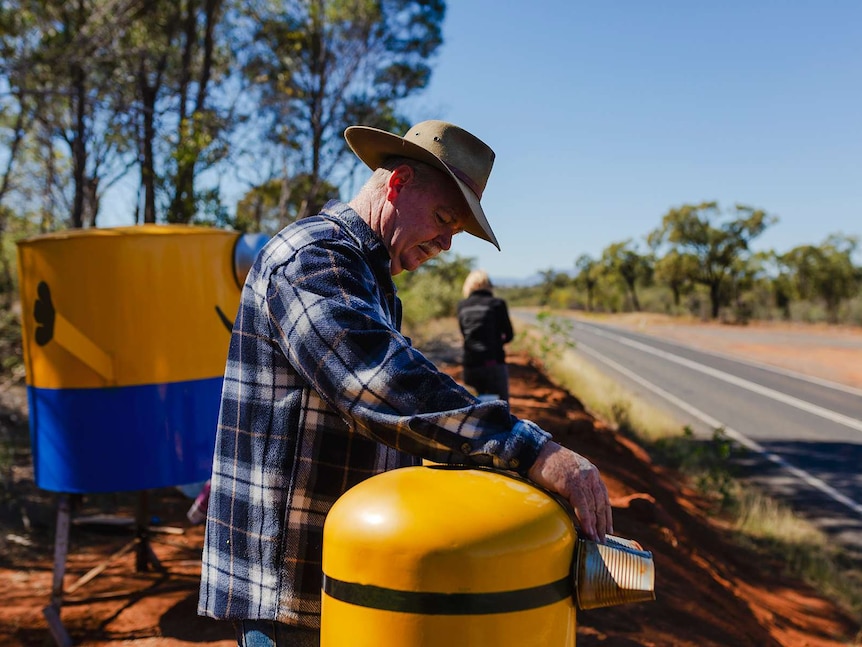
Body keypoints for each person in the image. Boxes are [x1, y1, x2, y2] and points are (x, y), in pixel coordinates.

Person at [198, 120, 613, 646]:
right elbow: (377, 384)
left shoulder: (368, 276)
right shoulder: (312, 259)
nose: (445, 242)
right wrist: (531, 451)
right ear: (397, 183)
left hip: (345, 577)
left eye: (456, 232)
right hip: (290, 583)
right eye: (443, 219)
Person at [458, 269, 514, 401]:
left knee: (474, 410)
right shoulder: (497, 304)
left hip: (470, 365)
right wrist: (497, 342)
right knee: (500, 408)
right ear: (488, 285)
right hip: (493, 363)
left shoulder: (462, 305)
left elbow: (464, 333)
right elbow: (509, 335)